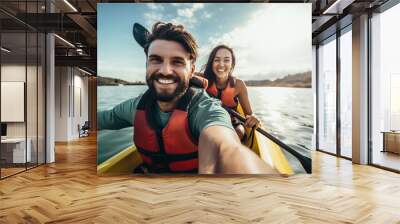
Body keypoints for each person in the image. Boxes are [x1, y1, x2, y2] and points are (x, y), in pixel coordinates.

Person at [98, 22, 276, 174]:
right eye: (156, 60)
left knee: (237, 133)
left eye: (177, 61)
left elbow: (224, 145)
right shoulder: (137, 106)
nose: (166, 70)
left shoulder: (210, 103)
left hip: (227, 123)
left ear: (190, 70)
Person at [203, 45, 260, 141]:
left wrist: (254, 118)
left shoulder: (239, 85)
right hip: (206, 122)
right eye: (217, 60)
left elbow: (249, 114)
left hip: (232, 124)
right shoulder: (202, 79)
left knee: (239, 132)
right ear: (211, 63)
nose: (221, 64)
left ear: (232, 64)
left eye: (226, 60)